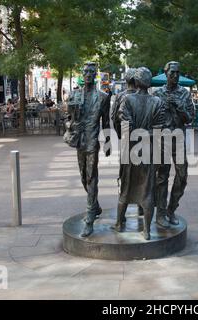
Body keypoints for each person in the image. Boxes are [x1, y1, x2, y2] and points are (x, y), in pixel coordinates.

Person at [113, 67, 167, 240]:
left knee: (126, 188)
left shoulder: (127, 100)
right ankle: (147, 231)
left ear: (135, 82)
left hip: (130, 151)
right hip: (149, 152)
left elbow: (126, 128)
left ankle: (119, 223)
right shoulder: (157, 102)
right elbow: (159, 131)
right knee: (147, 190)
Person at [64, 62, 111, 237]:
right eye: (86, 71)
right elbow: (66, 118)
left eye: (92, 71)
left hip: (92, 142)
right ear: (82, 74)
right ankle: (96, 205)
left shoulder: (103, 97)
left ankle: (90, 216)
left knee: (92, 176)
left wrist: (107, 143)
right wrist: (70, 124)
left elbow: (106, 122)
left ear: (95, 74)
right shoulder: (74, 94)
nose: (88, 74)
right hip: (79, 141)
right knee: (84, 176)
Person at [153, 61, 195, 227]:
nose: (176, 76)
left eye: (178, 73)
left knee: (182, 175)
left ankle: (172, 209)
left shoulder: (184, 94)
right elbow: (152, 118)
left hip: (178, 138)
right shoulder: (157, 94)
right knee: (161, 177)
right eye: (172, 73)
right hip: (162, 139)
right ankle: (161, 213)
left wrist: (180, 108)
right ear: (166, 74)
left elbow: (190, 118)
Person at [111, 68, 144, 218]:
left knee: (125, 175)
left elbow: (114, 118)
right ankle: (141, 207)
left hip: (126, 141)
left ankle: (121, 214)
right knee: (142, 175)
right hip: (143, 141)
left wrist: (121, 135)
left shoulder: (120, 97)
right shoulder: (144, 97)